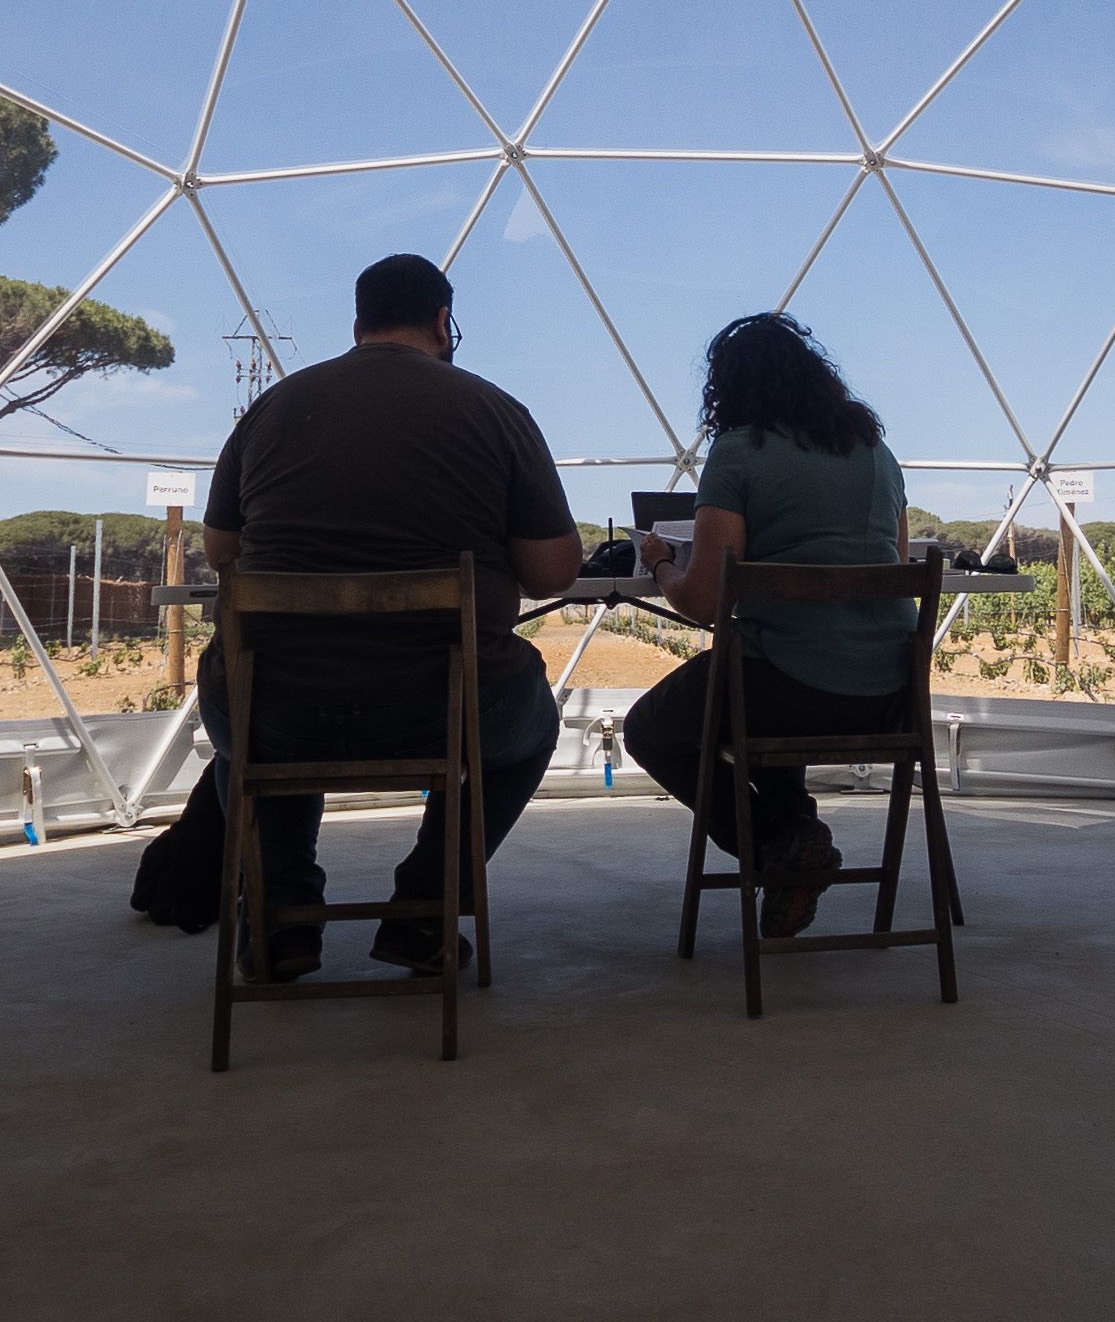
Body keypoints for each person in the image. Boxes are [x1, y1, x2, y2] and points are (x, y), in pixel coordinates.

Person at [198, 253, 581, 980]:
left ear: (356, 324)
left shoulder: (273, 408)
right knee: (529, 723)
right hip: (442, 708)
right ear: (444, 322)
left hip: (277, 706)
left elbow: (222, 548)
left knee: (246, 742)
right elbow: (553, 571)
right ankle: (424, 909)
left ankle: (280, 920)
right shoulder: (495, 410)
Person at [621, 313, 916, 940]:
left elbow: (702, 603)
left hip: (787, 693)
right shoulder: (877, 454)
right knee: (760, 677)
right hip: (889, 700)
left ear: (729, 390)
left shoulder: (739, 452)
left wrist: (662, 563)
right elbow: (892, 560)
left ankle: (781, 851)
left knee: (651, 728)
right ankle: (795, 842)